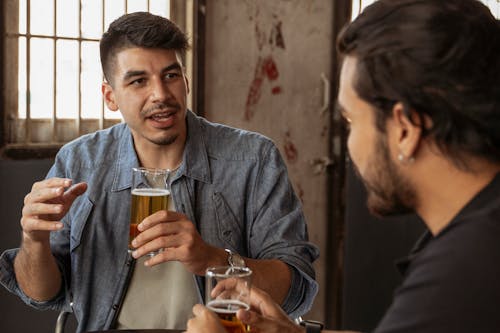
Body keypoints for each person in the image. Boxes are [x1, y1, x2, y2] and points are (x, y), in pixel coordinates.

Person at [186, 0, 500, 332]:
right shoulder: (474, 236)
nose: (350, 144)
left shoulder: (461, 275)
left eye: (350, 120)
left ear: (406, 130)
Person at [0, 12, 319, 333]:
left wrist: (211, 259)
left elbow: (296, 289)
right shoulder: (79, 161)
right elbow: (42, 294)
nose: (161, 95)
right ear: (110, 96)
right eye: (139, 81)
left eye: (170, 75)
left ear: (186, 80)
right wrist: (34, 240)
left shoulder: (253, 158)